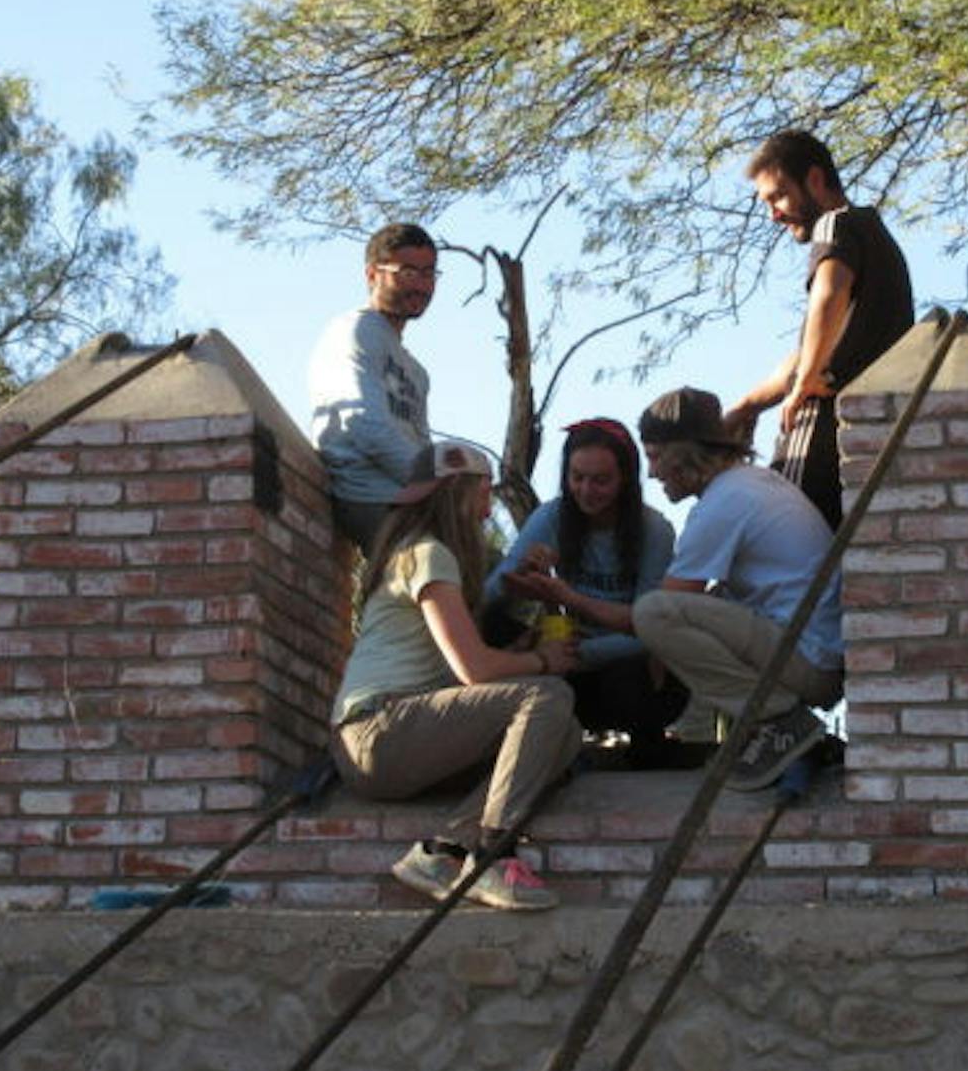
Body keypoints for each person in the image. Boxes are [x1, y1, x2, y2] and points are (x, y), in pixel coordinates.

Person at [328, 440, 583, 910]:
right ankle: (491, 856)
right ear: (459, 493)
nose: (488, 512)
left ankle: (443, 851)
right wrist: (543, 661)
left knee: (562, 736)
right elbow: (476, 671)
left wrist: (521, 649)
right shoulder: (427, 553)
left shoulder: (415, 554)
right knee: (546, 695)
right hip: (376, 731)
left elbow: (467, 671)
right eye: (486, 494)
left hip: (396, 738)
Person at [630, 387, 845, 792]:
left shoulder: (723, 501)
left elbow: (667, 604)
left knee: (653, 614)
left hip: (808, 660)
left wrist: (568, 602)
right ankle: (762, 728)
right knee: (696, 607)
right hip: (813, 652)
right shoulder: (750, 483)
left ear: (683, 454)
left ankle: (780, 722)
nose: (652, 472)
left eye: (655, 456)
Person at [482, 418, 697, 769]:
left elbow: (652, 630)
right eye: (577, 477)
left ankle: (648, 744)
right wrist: (519, 577)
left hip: (622, 667)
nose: (586, 490)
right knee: (489, 624)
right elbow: (490, 594)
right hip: (564, 657)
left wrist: (578, 651)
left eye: (601, 480)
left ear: (625, 479)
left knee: (640, 668)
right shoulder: (552, 516)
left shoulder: (653, 530)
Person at [725, 130, 913, 528]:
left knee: (784, 542)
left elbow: (829, 294)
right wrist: (747, 406)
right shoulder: (876, 237)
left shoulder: (835, 224)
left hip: (822, 433)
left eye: (778, 196)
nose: (774, 213)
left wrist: (805, 382)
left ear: (814, 180)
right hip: (866, 442)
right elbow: (807, 351)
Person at [308, 222, 439, 549]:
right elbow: (364, 423)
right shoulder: (356, 331)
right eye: (408, 272)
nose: (421, 285)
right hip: (368, 496)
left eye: (428, 274)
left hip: (414, 502)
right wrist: (435, 485)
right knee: (453, 570)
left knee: (501, 576)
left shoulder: (417, 372)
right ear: (372, 275)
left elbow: (422, 445)